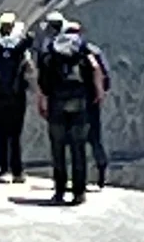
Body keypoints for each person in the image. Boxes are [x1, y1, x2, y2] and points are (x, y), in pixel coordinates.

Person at [37, 15, 94, 203]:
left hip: (57, 101)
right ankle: (79, 192)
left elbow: (44, 78)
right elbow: (92, 68)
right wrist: (92, 95)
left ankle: (60, 190)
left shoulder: (50, 48)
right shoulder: (80, 46)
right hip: (79, 99)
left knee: (58, 147)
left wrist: (44, 97)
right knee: (78, 147)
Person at [0, 12, 32, 183]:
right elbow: (29, 70)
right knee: (16, 133)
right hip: (17, 95)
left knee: (3, 132)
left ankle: (3, 168)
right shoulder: (21, 47)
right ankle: (18, 170)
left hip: (0, 95)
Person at [66, 16, 111, 186]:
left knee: (73, 141)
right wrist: (100, 93)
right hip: (90, 101)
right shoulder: (93, 51)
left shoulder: (59, 53)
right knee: (94, 138)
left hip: (68, 102)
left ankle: (77, 178)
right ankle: (101, 172)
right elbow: (105, 76)